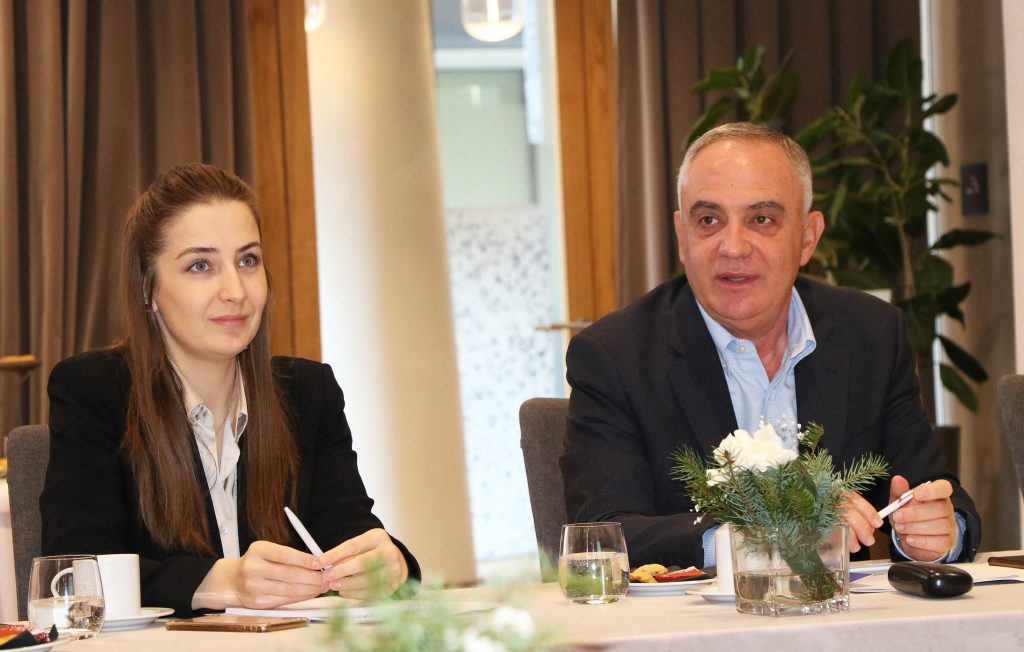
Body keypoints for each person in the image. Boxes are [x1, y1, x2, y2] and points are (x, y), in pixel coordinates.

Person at [560, 122, 981, 568]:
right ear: (682, 236)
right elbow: (604, 534)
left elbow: (931, 491)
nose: (733, 247)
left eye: (761, 220)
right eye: (709, 220)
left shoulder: (871, 335)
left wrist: (936, 532)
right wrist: (758, 539)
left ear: (807, 238)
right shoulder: (615, 356)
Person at [41, 163, 419, 616]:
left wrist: (390, 565)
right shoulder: (94, 390)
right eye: (200, 265)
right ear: (148, 288)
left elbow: (350, 531)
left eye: (248, 260)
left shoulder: (308, 393)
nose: (235, 290)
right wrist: (223, 581)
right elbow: (77, 572)